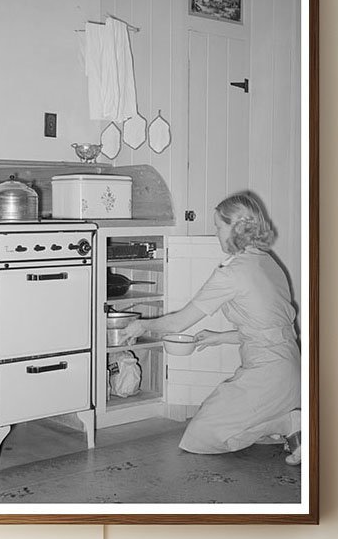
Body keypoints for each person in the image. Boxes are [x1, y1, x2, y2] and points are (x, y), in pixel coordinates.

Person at [117, 191, 302, 463]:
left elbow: (179, 322)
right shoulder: (266, 260)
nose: (216, 234)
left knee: (201, 436)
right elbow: (269, 325)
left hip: (269, 373)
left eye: (218, 227)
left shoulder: (232, 273)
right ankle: (292, 428)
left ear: (236, 227)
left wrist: (141, 327)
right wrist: (220, 337)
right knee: (235, 427)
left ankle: (290, 422)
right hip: (290, 365)